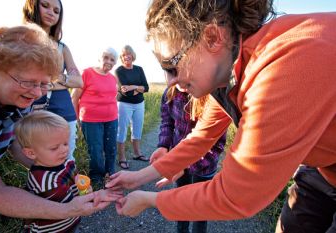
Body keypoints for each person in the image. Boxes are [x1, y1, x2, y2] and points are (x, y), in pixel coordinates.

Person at [103, 0, 336, 232]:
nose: (170, 81)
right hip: (323, 167)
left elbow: (237, 194)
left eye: (172, 66)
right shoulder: (231, 74)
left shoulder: (280, 70)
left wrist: (150, 201)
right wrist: (137, 178)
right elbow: (199, 139)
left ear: (213, 38)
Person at [0, 24, 104, 233]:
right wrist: (67, 209)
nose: (38, 93)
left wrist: (56, 170)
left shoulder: (19, 98)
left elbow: (15, 141)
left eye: (44, 84)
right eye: (28, 82)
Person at [14, 111, 122, 233]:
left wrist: (84, 189)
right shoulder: (45, 181)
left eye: (65, 143)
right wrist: (96, 196)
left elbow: (75, 179)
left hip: (70, 222)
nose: (64, 150)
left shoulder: (65, 163)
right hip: (50, 229)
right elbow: (71, 204)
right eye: (54, 148)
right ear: (31, 153)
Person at [151, 85, 227, 233]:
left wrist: (184, 166)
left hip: (205, 165)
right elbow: (167, 122)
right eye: (171, 72)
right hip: (179, 162)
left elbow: (215, 145)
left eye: (179, 71)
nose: (177, 80)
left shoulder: (214, 98)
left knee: (201, 208)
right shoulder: (169, 93)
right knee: (181, 201)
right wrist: (164, 146)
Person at [23, 0, 83, 161]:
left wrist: (55, 80)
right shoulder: (20, 41)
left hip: (64, 111)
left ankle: (68, 186)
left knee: (66, 158)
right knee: (36, 160)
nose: (51, 12)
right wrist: (58, 82)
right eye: (45, 6)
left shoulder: (62, 47)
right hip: (31, 110)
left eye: (56, 11)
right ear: (33, 6)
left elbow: (78, 81)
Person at [71, 47, 119, 188]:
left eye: (112, 60)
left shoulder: (112, 78)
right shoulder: (87, 73)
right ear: (100, 58)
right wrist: (76, 119)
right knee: (96, 150)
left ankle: (110, 174)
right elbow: (74, 98)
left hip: (112, 118)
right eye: (106, 58)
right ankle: (97, 177)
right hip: (91, 120)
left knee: (111, 148)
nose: (109, 62)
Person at [115, 45, 149, 169]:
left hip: (139, 103)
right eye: (124, 55)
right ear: (122, 57)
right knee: (122, 130)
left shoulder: (139, 69)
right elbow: (124, 90)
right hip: (124, 104)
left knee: (137, 129)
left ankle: (137, 153)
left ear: (132, 56)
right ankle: (122, 158)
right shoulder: (119, 70)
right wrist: (138, 88)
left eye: (128, 54)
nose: (126, 57)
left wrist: (133, 87)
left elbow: (146, 87)